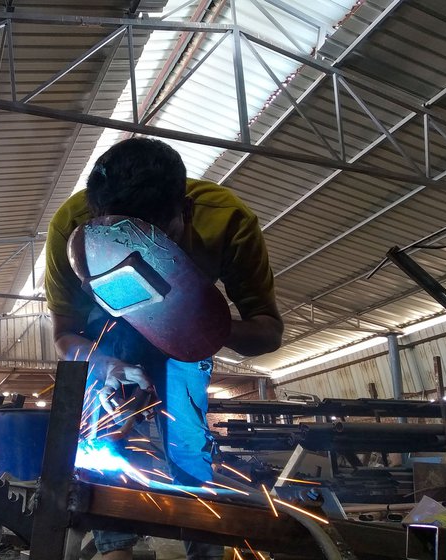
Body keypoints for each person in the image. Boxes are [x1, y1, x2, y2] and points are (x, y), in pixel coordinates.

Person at [44, 137, 283, 560]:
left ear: (185, 213)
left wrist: (201, 324)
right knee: (103, 437)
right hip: (108, 338)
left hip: (188, 338)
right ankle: (116, 547)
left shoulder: (228, 220)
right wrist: (106, 365)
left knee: (186, 444)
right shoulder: (71, 227)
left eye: (158, 239)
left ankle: (207, 549)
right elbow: (65, 336)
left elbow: (267, 333)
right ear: (97, 219)